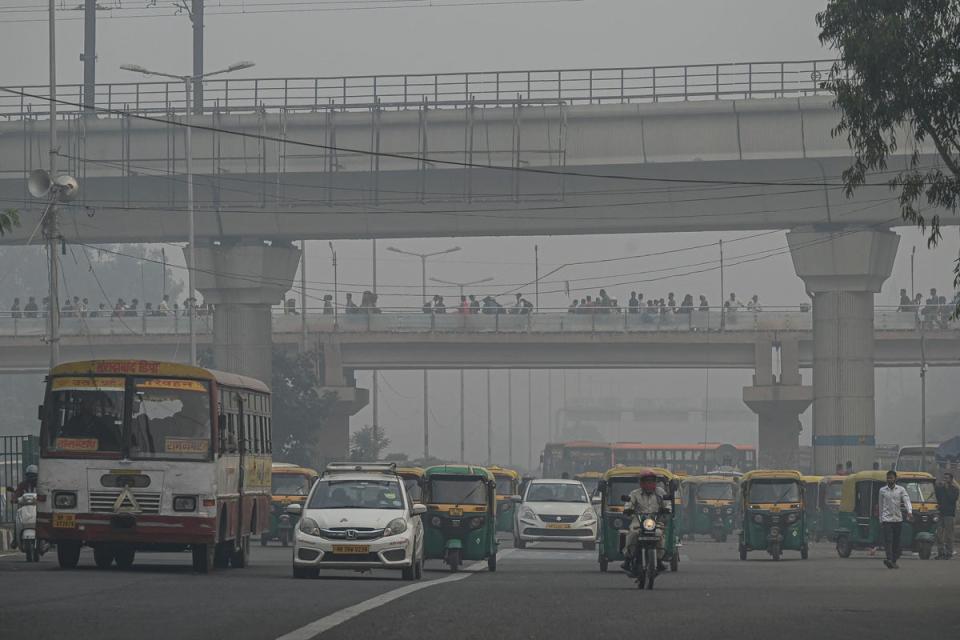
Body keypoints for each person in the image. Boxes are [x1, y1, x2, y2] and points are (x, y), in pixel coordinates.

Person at [621, 471, 667, 574]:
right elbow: (629, 504)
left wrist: (667, 509)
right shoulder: (634, 493)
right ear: (641, 483)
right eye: (647, 481)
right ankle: (628, 559)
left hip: (655, 520)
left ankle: (658, 560)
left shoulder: (660, 493)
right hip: (638, 520)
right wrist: (628, 509)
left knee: (659, 534)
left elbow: (667, 504)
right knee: (633, 533)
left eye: (651, 481)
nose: (649, 483)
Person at [879, 470, 913, 569]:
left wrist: (909, 511)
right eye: (888, 478)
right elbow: (880, 505)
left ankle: (893, 560)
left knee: (896, 541)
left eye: (891, 478)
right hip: (886, 519)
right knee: (888, 540)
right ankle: (889, 559)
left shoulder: (901, 490)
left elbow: (906, 500)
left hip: (898, 519)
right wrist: (881, 519)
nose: (889, 479)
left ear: (895, 479)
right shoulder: (882, 490)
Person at [9, 464, 39, 550]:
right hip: (24, 507)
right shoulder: (22, 485)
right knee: (17, 520)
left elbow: (45, 494)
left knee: (45, 519)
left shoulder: (40, 485)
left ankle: (47, 538)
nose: (31, 477)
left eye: (33, 475)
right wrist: (14, 498)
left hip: (37, 507)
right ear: (26, 476)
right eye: (29, 475)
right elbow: (17, 493)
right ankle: (15, 539)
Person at [935, 472, 958, 559]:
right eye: (944, 478)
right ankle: (941, 553)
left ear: (951, 480)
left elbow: (952, 499)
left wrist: (947, 488)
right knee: (939, 534)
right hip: (941, 513)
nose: (945, 479)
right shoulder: (941, 489)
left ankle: (949, 553)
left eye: (947, 478)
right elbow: (937, 496)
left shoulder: (955, 489)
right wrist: (937, 486)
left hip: (949, 515)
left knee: (949, 535)